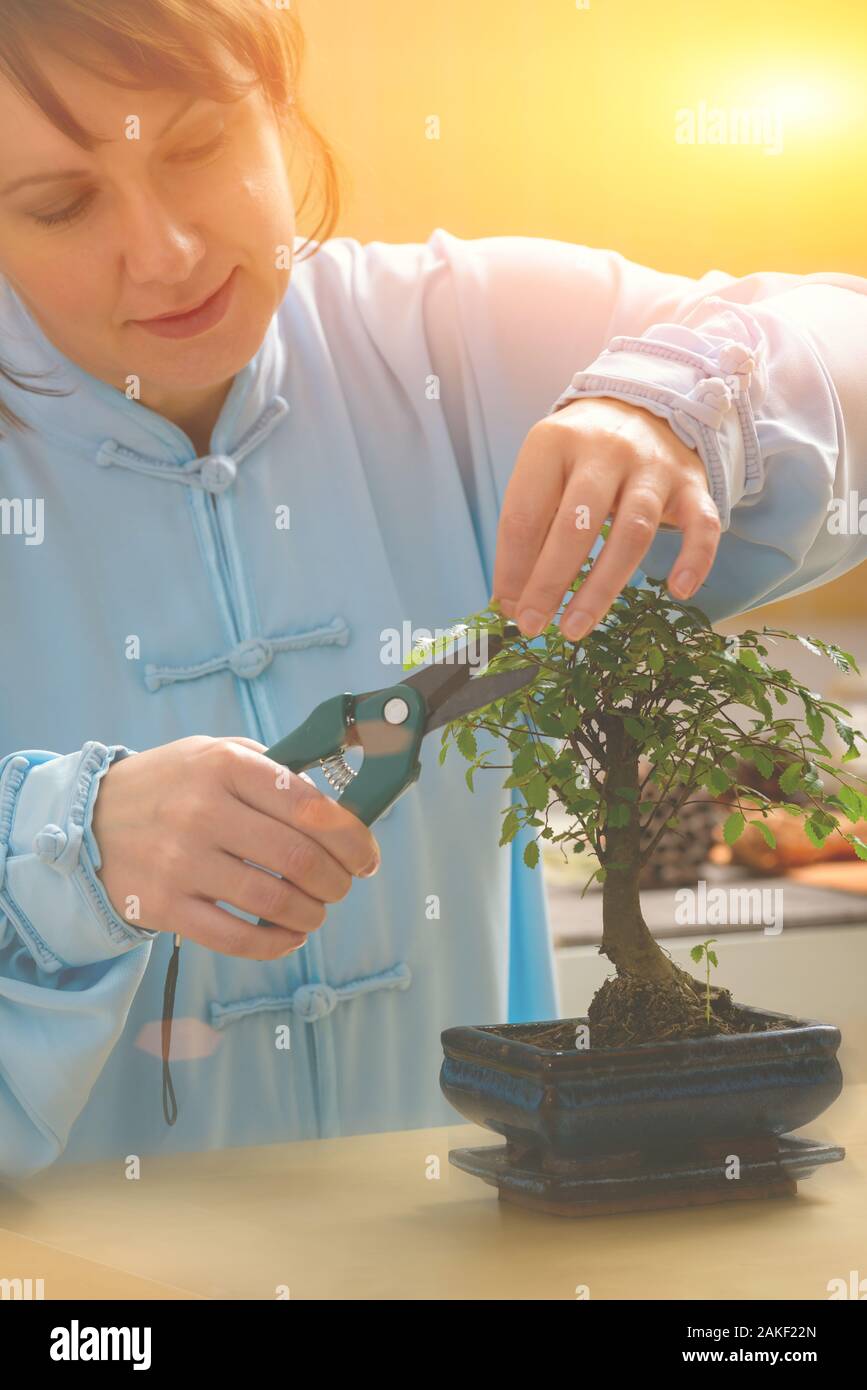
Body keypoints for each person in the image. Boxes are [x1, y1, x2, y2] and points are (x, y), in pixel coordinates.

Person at [1, 1, 865, 1181]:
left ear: (281, 115)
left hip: (464, 1256)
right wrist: (64, 841)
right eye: (59, 204)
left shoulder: (457, 336)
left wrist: (665, 396)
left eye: (198, 147)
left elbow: (842, 347)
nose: (165, 253)